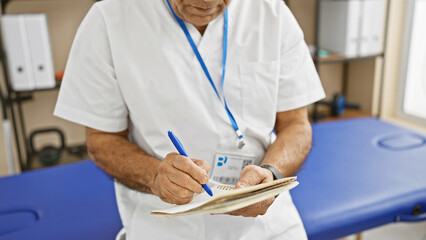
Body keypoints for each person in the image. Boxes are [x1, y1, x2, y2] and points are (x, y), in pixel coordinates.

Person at [54, 0, 325, 239]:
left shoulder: (272, 13)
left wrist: (273, 174)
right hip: (165, 227)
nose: (207, 2)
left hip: (267, 226)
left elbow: (296, 125)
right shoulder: (110, 20)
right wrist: (154, 176)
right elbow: (102, 140)